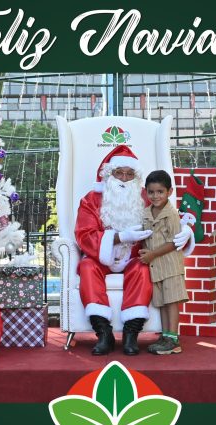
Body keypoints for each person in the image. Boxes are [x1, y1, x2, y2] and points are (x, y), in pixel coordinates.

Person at [74, 145, 194, 356]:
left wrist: (186, 231)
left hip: (134, 256)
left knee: (143, 268)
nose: (124, 178)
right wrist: (119, 237)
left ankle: (131, 333)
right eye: (119, 173)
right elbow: (83, 234)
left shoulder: (146, 197)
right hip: (100, 259)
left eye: (130, 174)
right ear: (108, 174)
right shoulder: (91, 199)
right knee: (86, 266)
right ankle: (104, 333)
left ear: (136, 177)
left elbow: (166, 219)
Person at [139, 170, 188, 355]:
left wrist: (151, 254)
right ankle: (166, 335)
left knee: (171, 301)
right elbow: (145, 236)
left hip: (170, 266)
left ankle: (173, 339)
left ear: (170, 192)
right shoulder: (146, 213)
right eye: (151, 192)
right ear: (146, 192)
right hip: (156, 268)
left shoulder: (172, 214)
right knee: (162, 303)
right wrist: (145, 252)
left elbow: (174, 242)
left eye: (160, 191)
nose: (155, 196)